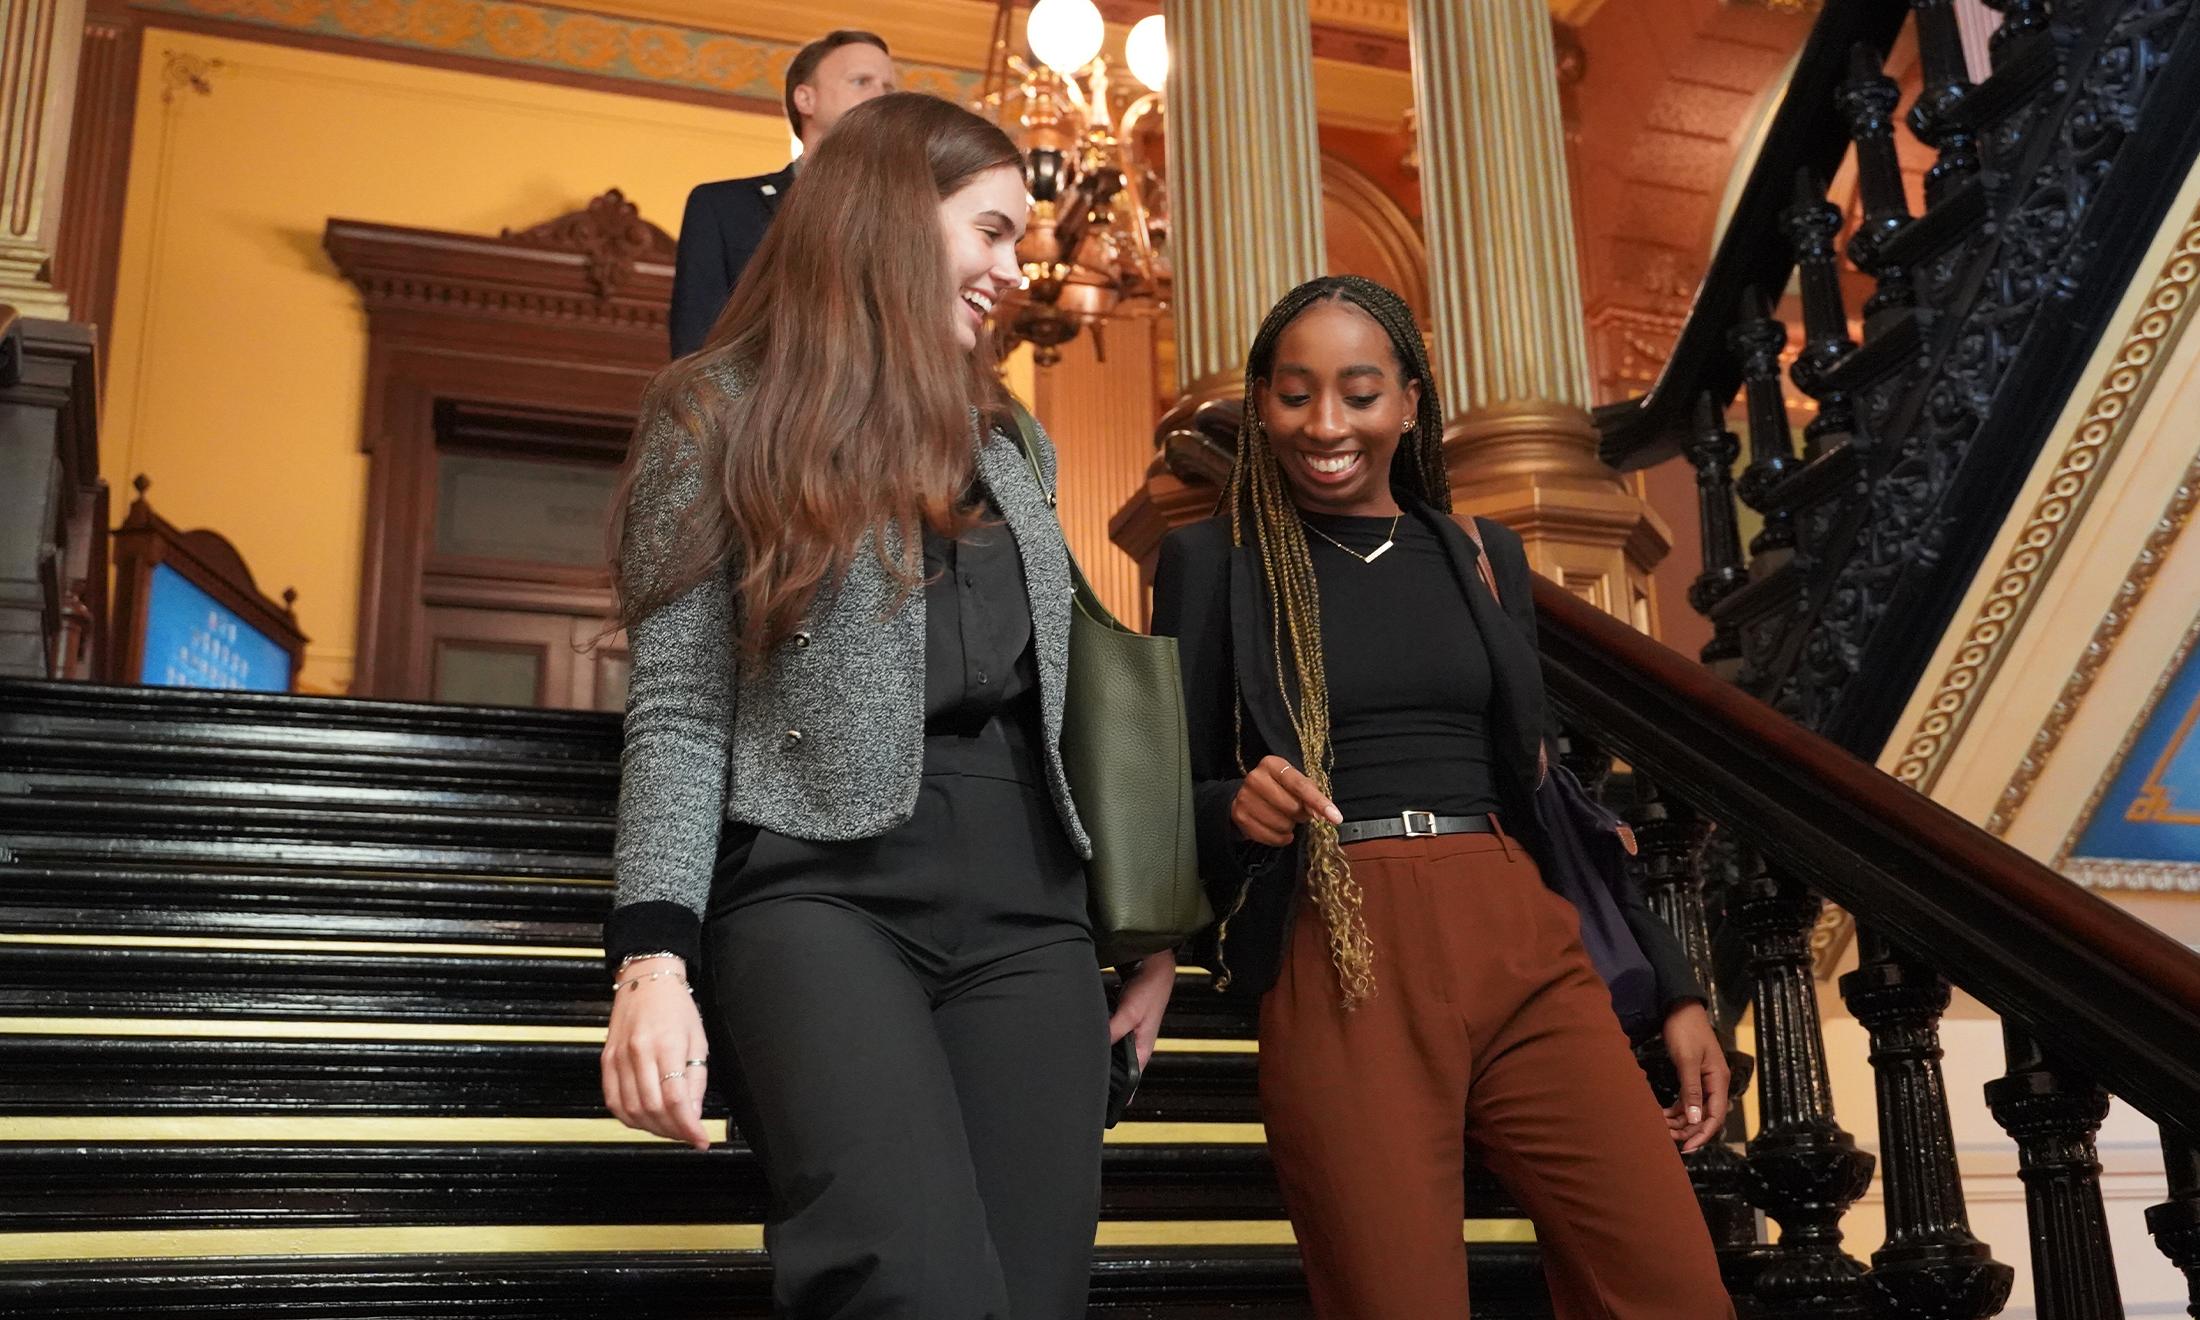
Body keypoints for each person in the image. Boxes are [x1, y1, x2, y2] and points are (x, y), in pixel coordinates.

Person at [601, 92, 1177, 1319]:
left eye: (1019, 241)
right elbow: (679, 710)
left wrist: (1145, 918)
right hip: (818, 889)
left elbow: (1061, 695)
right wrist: (651, 957)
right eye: (989, 231)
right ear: (890, 216)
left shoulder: (1013, 438)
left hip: (1032, 907)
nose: (1011, 271)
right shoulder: (716, 409)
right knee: (907, 1287)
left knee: (1032, 1299)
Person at [1150, 275, 1736, 1318]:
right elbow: (1167, 787)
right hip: (1338, 944)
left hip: (1515, 929)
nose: (1325, 423)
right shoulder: (1213, 561)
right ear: (1264, 402)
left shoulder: (1481, 554)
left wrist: (1669, 980)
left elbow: (1549, 792)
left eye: (1358, 392)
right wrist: (1230, 812)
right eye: (1294, 394)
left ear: (1409, 402)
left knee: (1668, 1285)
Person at [668, 29, 896, 359]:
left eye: (888, 87)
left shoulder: (919, 216)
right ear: (806, 99)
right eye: (861, 81)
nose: (881, 97)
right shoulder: (723, 208)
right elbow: (696, 349)